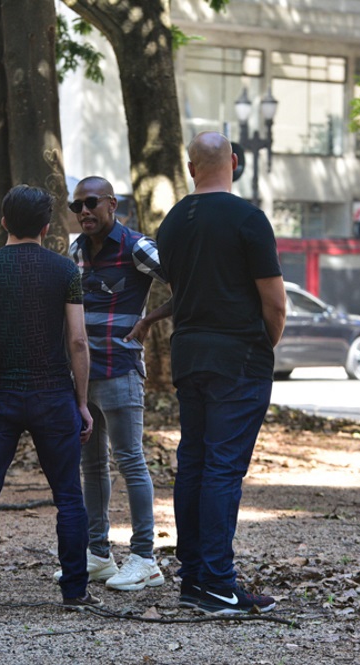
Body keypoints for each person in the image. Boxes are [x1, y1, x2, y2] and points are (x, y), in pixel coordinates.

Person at [0, 184, 100, 613]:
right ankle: (74, 592)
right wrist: (82, 402)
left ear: (2, 223)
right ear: (48, 226)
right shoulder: (65, 270)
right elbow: (77, 341)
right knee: (69, 495)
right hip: (54, 394)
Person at [156, 131, 287, 615]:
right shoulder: (248, 219)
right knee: (223, 468)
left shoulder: (170, 224)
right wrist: (262, 346)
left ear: (192, 168)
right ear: (233, 161)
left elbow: (186, 289)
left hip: (190, 355)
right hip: (238, 357)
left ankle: (194, 578)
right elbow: (275, 302)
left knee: (194, 464)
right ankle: (215, 581)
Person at [60, 176, 170, 591]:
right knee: (91, 465)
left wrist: (149, 320)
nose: (84, 212)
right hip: (83, 374)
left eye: (91, 203)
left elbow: (186, 284)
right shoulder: (76, 251)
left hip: (121, 367)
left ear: (112, 204)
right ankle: (98, 554)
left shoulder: (137, 246)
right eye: (77, 207)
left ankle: (145, 558)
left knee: (130, 462)